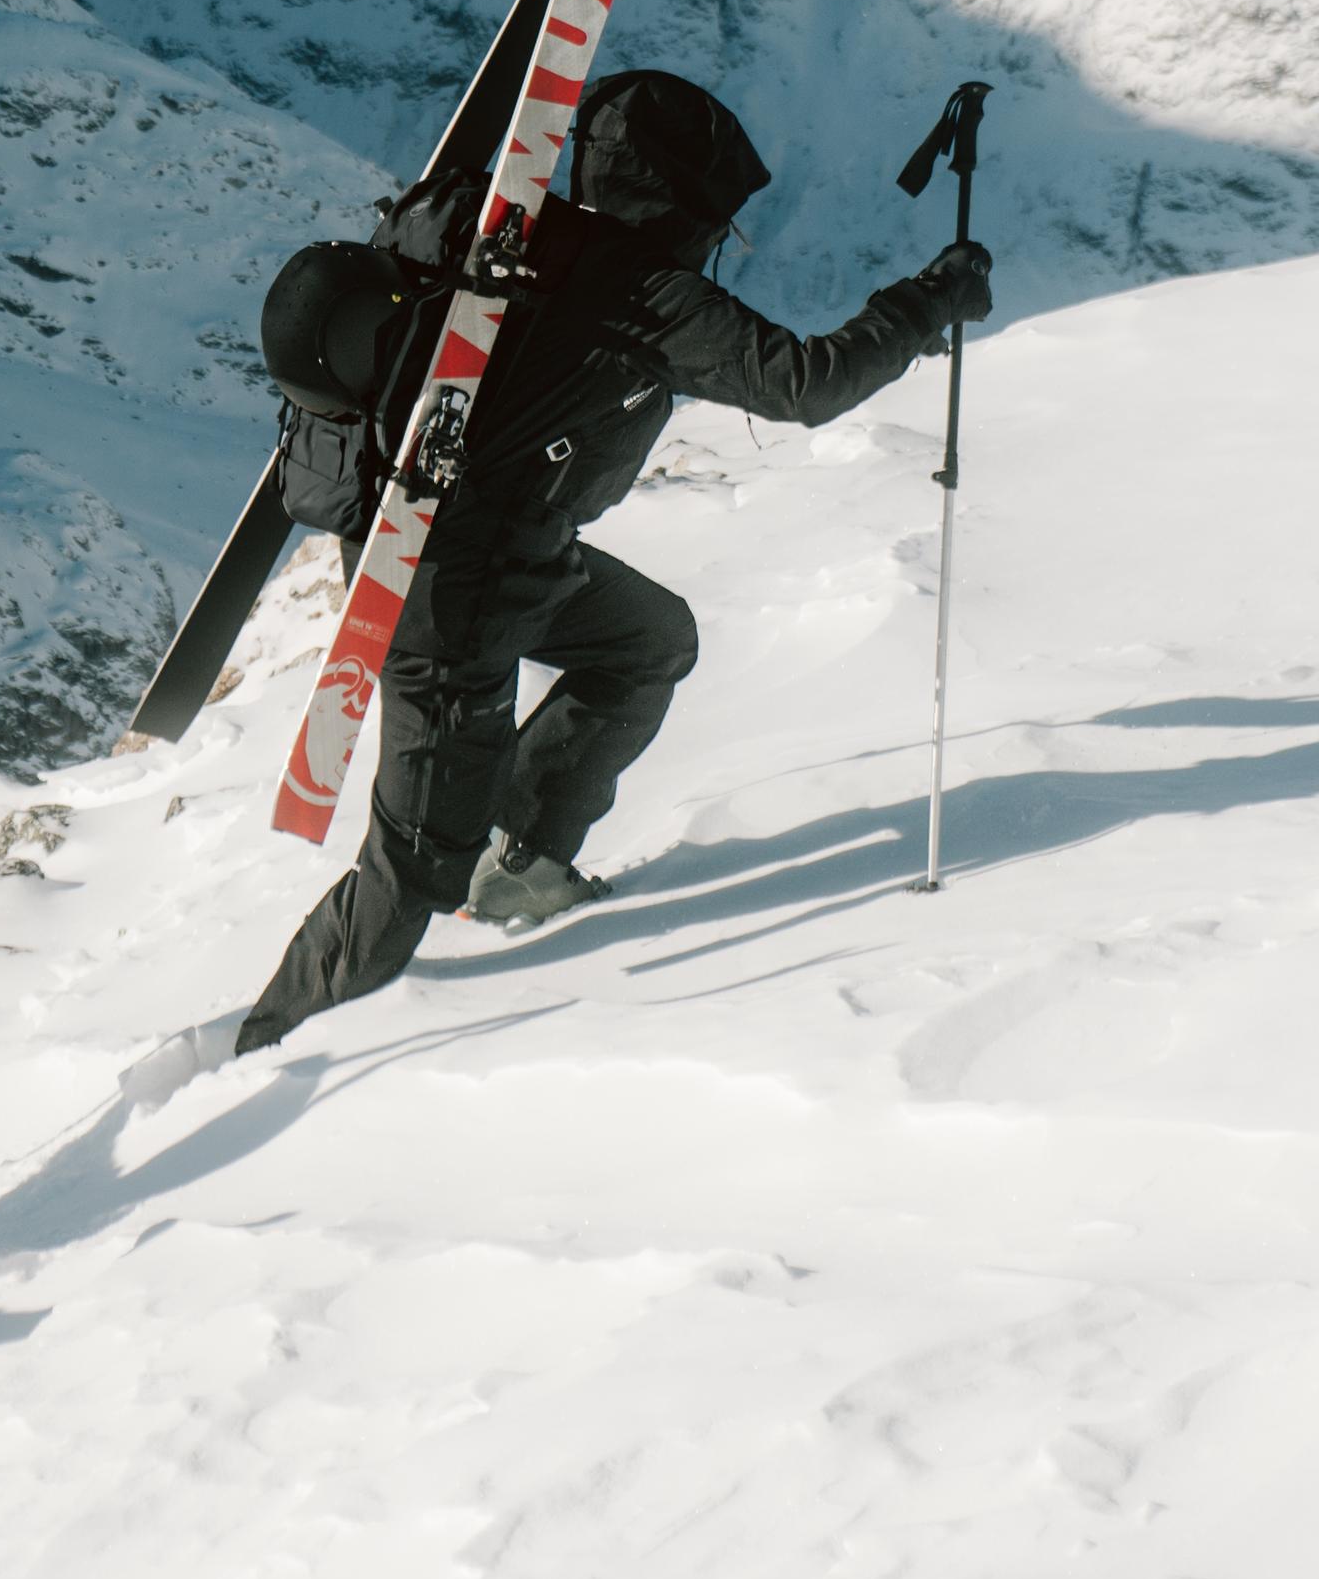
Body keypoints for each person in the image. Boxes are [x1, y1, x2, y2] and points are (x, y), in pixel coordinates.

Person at [235, 69, 986, 1052]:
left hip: (499, 556)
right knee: (416, 868)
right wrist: (932, 298)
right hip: (447, 604)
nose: (722, 240)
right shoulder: (642, 291)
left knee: (645, 642)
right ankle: (263, 1044)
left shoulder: (501, 233)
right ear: (682, 200)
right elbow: (807, 384)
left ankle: (527, 863)